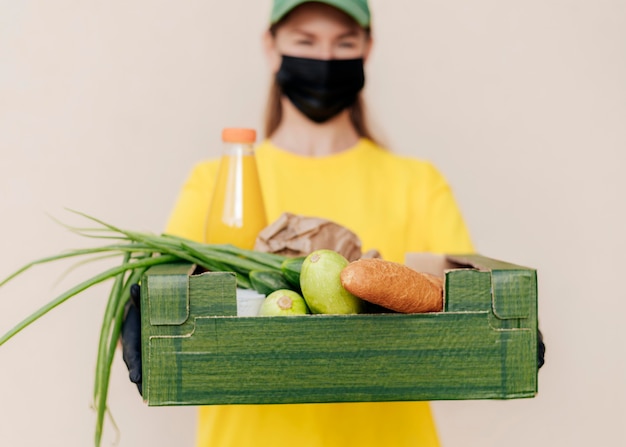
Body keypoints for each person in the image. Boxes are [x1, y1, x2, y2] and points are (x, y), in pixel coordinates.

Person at [122, 1, 544, 446]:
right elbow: (168, 296)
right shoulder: (219, 181)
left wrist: (502, 313)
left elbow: (455, 293)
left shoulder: (418, 182)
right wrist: (142, 310)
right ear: (271, 47)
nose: (324, 60)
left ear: (367, 49)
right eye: (305, 42)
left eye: (343, 43)